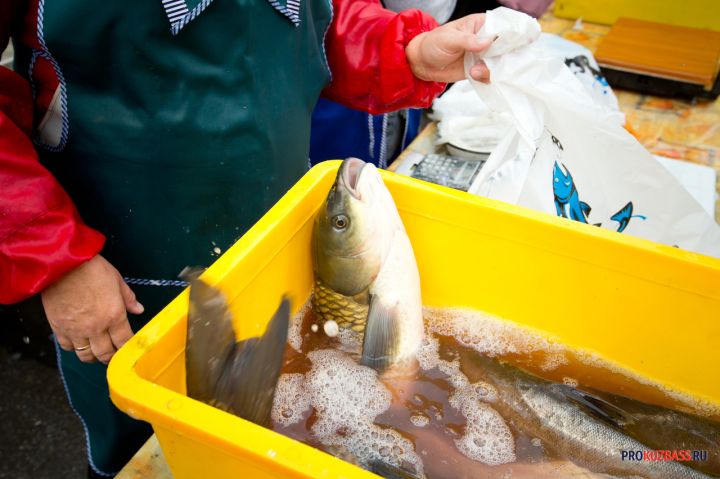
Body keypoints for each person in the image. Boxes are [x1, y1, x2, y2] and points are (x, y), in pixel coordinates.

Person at [0, 0, 491, 476]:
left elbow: (316, 21)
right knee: (147, 449)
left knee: (283, 430)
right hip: (116, 273)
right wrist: (52, 255)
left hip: (275, 247)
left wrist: (406, 51)